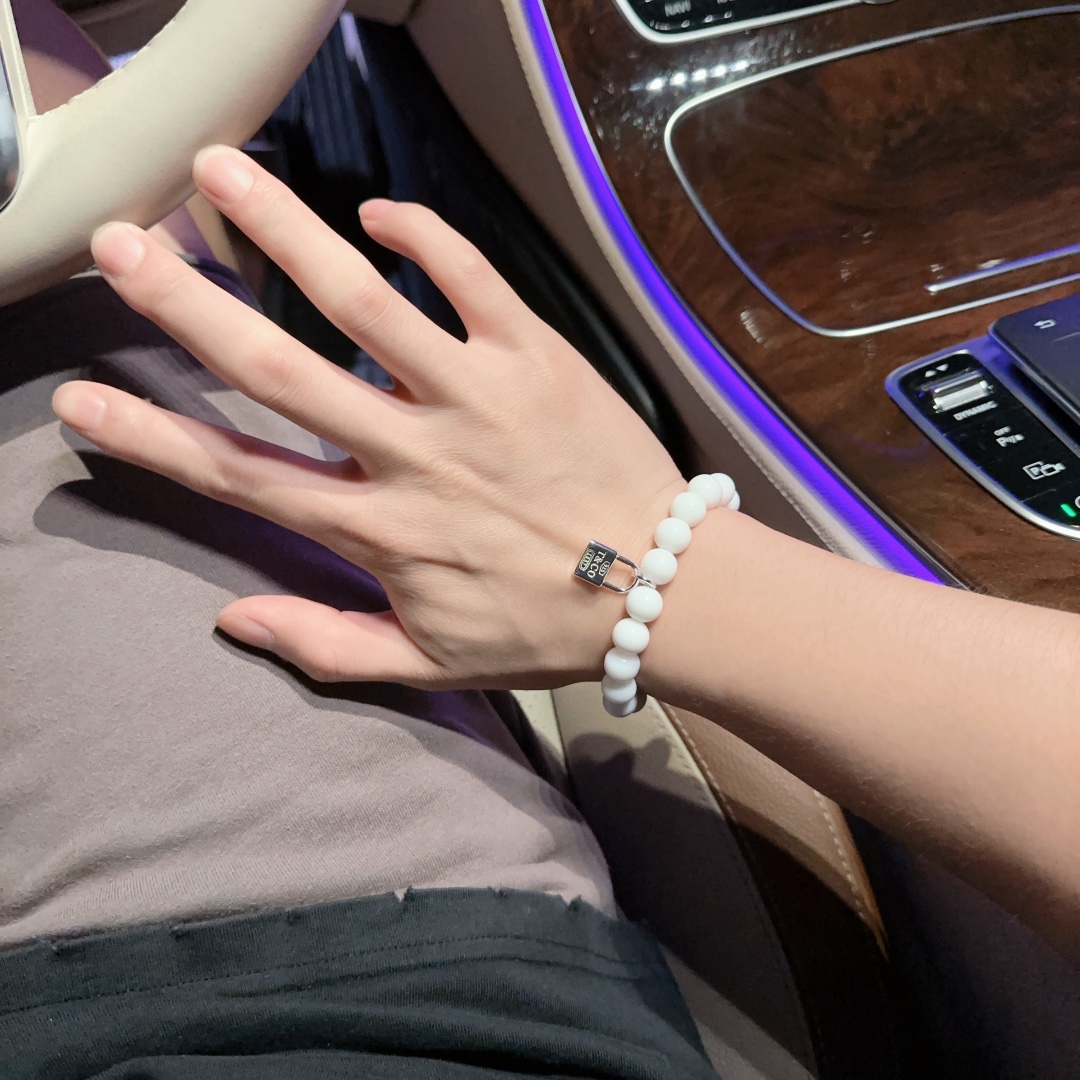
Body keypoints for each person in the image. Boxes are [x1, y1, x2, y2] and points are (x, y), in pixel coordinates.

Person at [1, 2, 1075, 1076]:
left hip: (285, 998)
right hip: (425, 988)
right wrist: (653, 572)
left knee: (74, 265)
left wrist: (642, 568)